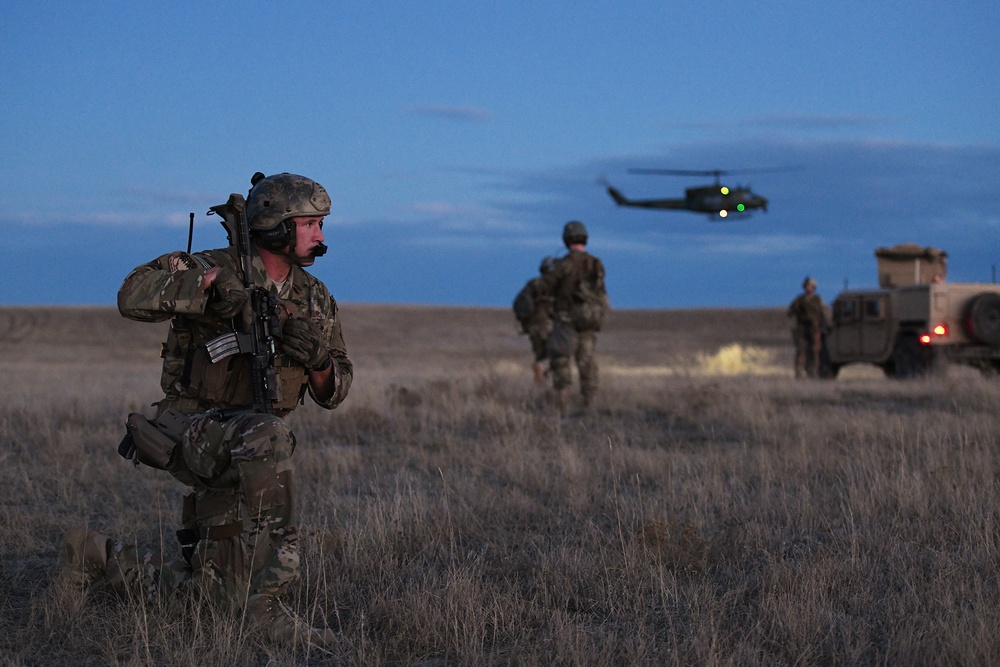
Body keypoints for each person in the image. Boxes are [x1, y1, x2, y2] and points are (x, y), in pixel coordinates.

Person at [60, 172, 353, 647]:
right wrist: (203, 288)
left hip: (247, 451)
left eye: (322, 224)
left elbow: (335, 391)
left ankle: (97, 557)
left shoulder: (315, 299)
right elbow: (130, 295)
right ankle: (266, 610)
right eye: (311, 223)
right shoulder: (209, 266)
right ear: (277, 225)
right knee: (269, 437)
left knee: (216, 602)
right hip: (192, 430)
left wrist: (316, 358)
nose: (321, 234)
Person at [541, 221, 608, 415]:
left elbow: (547, 286)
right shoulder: (596, 263)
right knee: (587, 362)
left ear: (566, 239)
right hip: (588, 321)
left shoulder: (564, 264)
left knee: (561, 359)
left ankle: (563, 407)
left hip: (566, 320)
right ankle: (590, 405)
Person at [513, 256, 556, 384]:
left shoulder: (532, 284)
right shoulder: (556, 286)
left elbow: (519, 304)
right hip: (549, 325)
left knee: (540, 354)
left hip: (533, 327)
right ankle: (547, 378)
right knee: (558, 355)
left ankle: (541, 381)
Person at [787, 276, 827, 378]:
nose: (808, 288)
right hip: (802, 328)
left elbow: (823, 313)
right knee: (801, 350)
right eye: (807, 286)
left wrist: (823, 325)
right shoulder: (800, 299)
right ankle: (799, 373)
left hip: (815, 328)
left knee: (815, 351)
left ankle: (814, 372)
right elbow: (790, 312)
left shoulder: (818, 299)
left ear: (814, 287)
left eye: (810, 286)